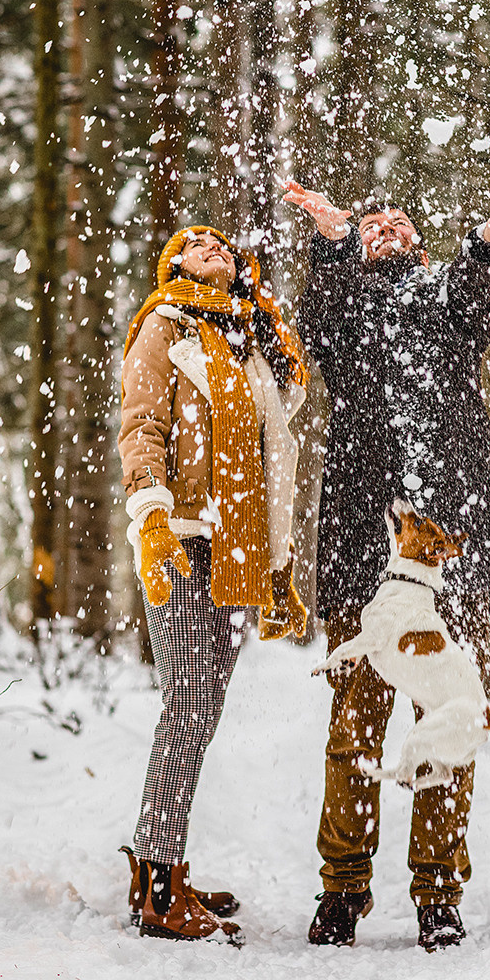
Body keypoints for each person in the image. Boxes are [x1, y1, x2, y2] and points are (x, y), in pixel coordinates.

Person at [285, 180, 490, 951]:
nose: (386, 229)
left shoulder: (447, 309)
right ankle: (342, 889)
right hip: (362, 555)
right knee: (353, 731)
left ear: (424, 245)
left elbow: (474, 294)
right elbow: (321, 318)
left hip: (448, 562)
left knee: (444, 728)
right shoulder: (344, 314)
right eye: (372, 226)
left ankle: (438, 893)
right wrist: (332, 243)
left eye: (398, 222)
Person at [118, 224, 307, 942]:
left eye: (224, 244)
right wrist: (153, 516)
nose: (213, 246)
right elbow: (141, 426)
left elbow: (273, 455)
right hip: (184, 542)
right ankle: (158, 892)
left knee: (197, 714)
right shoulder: (164, 324)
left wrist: (279, 568)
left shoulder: (245, 342)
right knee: (188, 710)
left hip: (238, 551)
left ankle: (156, 865)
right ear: (172, 264)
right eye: (195, 242)